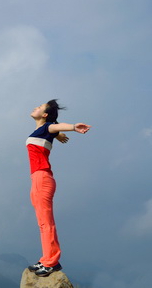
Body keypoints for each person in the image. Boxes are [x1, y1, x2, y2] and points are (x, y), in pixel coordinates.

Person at [25, 99, 91, 277]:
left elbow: (55, 126)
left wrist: (73, 126)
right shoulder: (44, 130)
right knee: (42, 223)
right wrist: (58, 134)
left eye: (39, 107)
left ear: (45, 115)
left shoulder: (47, 128)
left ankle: (51, 262)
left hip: (42, 178)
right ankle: (47, 258)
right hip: (37, 178)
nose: (35, 107)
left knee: (46, 223)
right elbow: (54, 128)